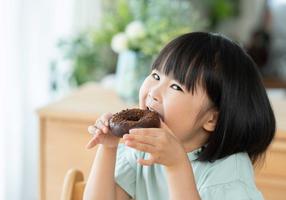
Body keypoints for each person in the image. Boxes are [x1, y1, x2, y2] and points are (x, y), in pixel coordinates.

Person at [83, 32, 276, 200]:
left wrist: (176, 165)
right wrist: (108, 148)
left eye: (176, 87)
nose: (154, 92)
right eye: (156, 76)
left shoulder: (228, 176)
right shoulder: (141, 149)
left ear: (212, 119)